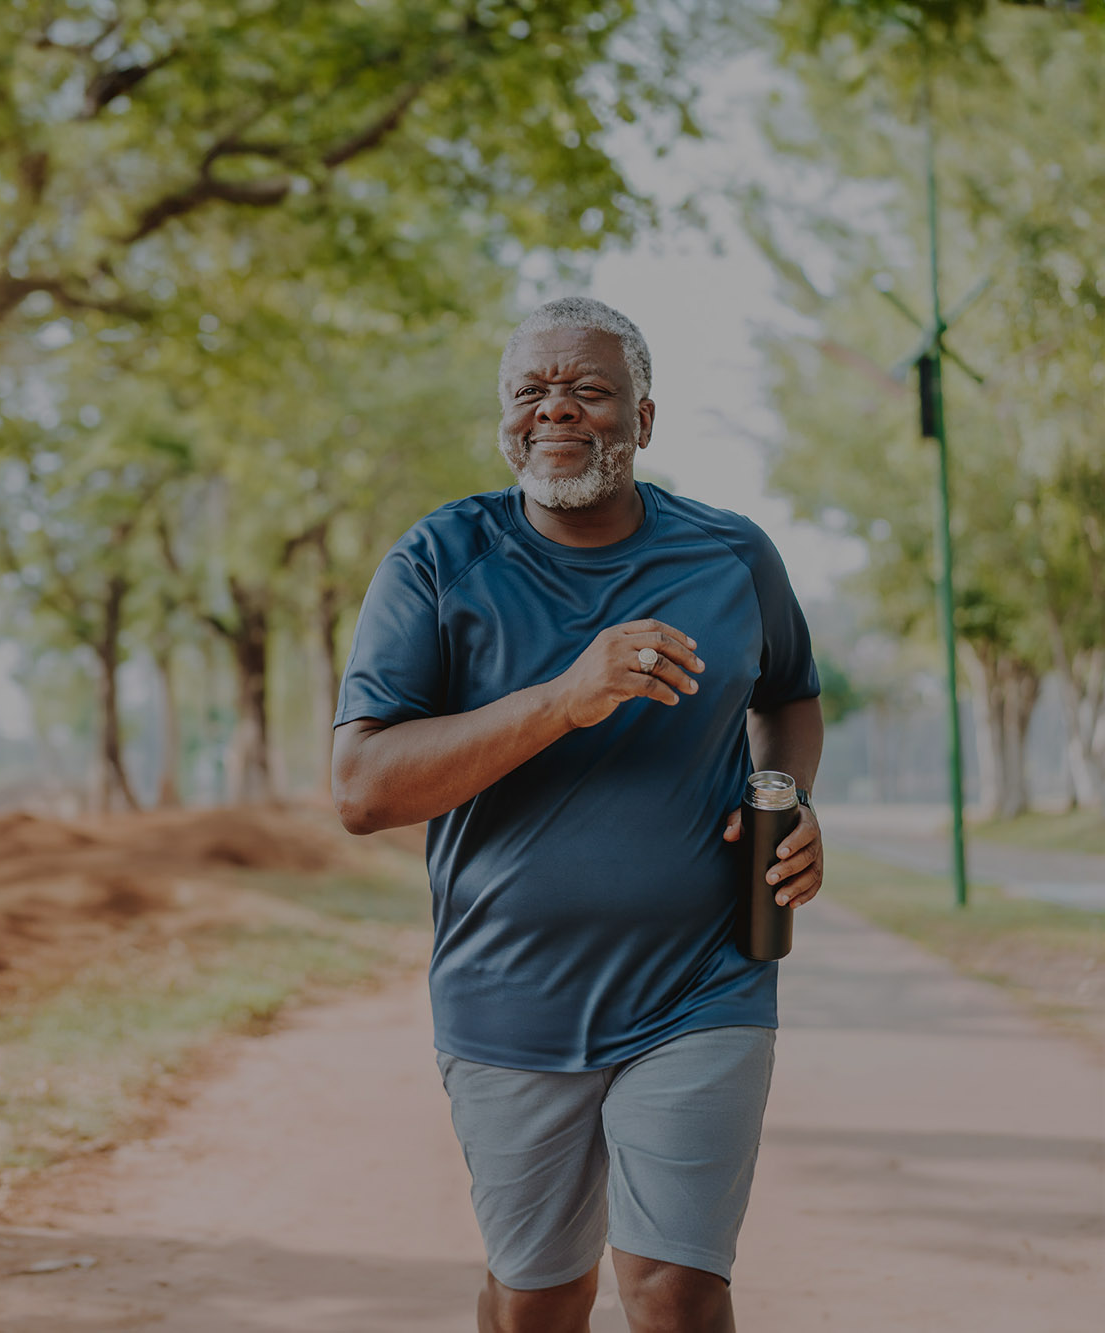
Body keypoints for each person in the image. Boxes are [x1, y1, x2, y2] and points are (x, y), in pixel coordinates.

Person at [331, 296, 824, 1333]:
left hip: (703, 983)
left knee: (675, 1289)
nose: (555, 410)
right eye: (530, 392)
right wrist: (562, 698)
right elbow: (361, 789)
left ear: (642, 420)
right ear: (503, 421)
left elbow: (787, 693)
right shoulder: (434, 564)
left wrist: (781, 798)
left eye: (588, 390)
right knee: (538, 1299)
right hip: (507, 992)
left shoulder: (731, 557)